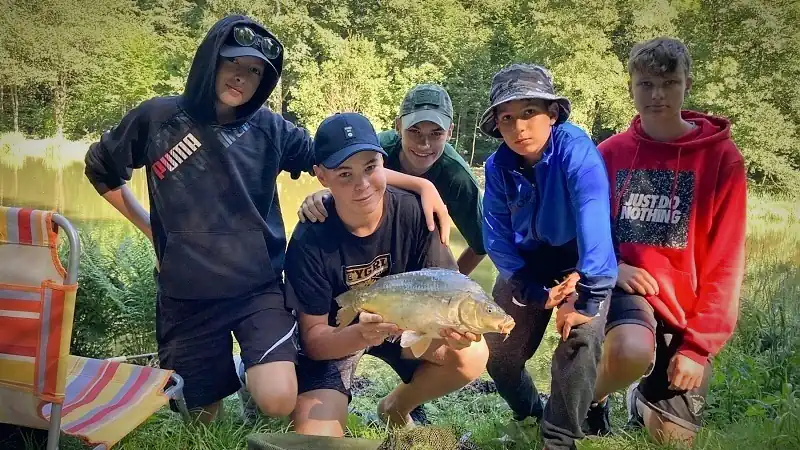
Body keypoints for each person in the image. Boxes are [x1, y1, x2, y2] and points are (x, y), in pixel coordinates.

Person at [83, 15, 452, 423]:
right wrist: (152, 230)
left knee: (277, 401)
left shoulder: (271, 129)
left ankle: (249, 373)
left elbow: (338, 164)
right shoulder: (157, 118)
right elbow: (101, 170)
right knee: (200, 420)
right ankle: (223, 382)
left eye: (255, 72)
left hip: (256, 289)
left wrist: (421, 185)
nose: (242, 78)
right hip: (186, 294)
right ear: (210, 60)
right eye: (233, 63)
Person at [284, 112, 489, 437]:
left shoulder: (418, 214)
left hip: (404, 327)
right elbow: (315, 342)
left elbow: (448, 289)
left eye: (370, 168)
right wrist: (362, 335)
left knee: (473, 354)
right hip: (338, 335)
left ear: (384, 163)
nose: (362, 185)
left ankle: (395, 408)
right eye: (345, 174)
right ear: (321, 176)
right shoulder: (310, 238)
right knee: (315, 440)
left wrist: (451, 329)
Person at [594, 37, 746, 445]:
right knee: (630, 350)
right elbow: (585, 232)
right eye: (646, 84)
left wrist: (697, 348)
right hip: (627, 288)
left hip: (685, 308)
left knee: (673, 440)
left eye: (669, 83)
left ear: (687, 84)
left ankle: (640, 398)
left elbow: (727, 262)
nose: (657, 95)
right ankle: (589, 399)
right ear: (630, 87)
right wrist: (614, 267)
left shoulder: (723, 159)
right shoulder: (609, 153)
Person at [478, 63, 618, 450]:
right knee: (499, 353)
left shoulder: (576, 151)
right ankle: (530, 415)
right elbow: (496, 235)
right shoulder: (497, 166)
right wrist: (530, 289)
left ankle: (558, 438)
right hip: (528, 267)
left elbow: (594, 219)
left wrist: (586, 293)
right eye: (507, 118)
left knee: (581, 336)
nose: (519, 127)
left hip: (580, 263)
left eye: (529, 112)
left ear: (552, 113)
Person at [297, 84, 486, 276]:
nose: (424, 143)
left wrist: (449, 283)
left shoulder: (458, 177)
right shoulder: (378, 147)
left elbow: (481, 244)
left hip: (423, 250)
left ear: (450, 131)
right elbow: (347, 174)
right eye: (414, 131)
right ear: (398, 126)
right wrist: (329, 195)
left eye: (436, 133)